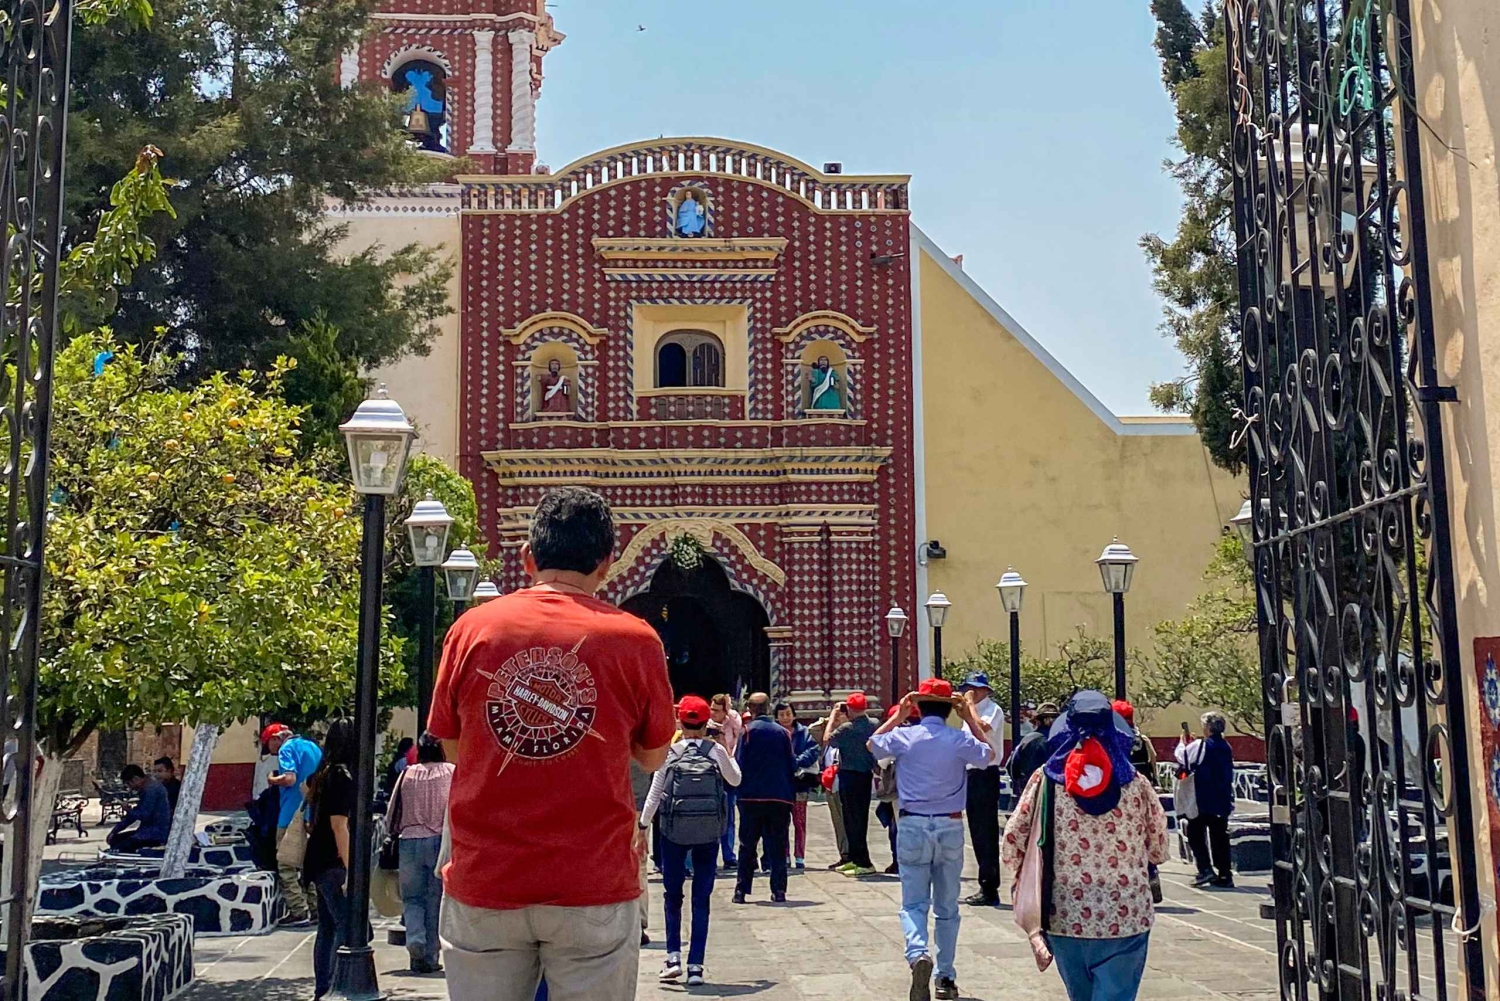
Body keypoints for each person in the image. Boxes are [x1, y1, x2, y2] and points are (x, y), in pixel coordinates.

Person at [429, 486, 675, 1001]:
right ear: (607, 562)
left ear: (527, 557)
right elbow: (654, 756)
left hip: (487, 879)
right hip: (593, 882)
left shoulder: (471, 629)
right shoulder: (636, 640)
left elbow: (452, 746)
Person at [1003, 691, 1170, 1001]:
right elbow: (1159, 848)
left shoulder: (1045, 781)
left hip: (1067, 914)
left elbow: (1012, 842)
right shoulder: (1136, 783)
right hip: (1127, 915)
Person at [869, 678, 995, 1001]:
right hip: (949, 824)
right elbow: (988, 755)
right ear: (949, 710)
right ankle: (945, 977)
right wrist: (969, 719)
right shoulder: (958, 739)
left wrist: (899, 716)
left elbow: (873, 745)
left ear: (919, 708)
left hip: (912, 824)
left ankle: (917, 953)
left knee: (913, 903)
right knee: (947, 908)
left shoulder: (905, 737)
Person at [639, 696, 742, 986]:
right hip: (708, 833)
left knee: (672, 895)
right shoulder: (715, 751)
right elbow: (735, 780)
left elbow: (655, 793)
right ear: (707, 722)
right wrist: (724, 747)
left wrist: (643, 826)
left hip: (673, 834)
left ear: (680, 723)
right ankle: (696, 964)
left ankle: (673, 957)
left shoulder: (670, 752)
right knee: (701, 898)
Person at [390, 732, 455, 974]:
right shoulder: (451, 772)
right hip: (439, 840)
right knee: (435, 899)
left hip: (409, 840)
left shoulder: (408, 773)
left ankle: (415, 940)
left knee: (412, 898)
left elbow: (393, 809)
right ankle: (430, 954)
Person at [302, 720, 357, 1001]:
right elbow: (339, 825)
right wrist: (350, 868)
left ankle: (323, 988)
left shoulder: (323, 773)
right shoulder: (342, 776)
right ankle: (336, 986)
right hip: (333, 861)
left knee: (327, 927)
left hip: (318, 858)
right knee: (347, 927)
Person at [733, 692, 794, 904]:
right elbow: (791, 763)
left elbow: (739, 762)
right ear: (768, 708)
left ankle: (741, 891)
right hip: (778, 797)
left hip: (751, 797)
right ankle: (779, 890)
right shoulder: (783, 733)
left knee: (747, 845)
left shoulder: (747, 732)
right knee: (778, 845)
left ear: (750, 708)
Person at [263, 722, 322, 927]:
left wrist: (272, 779)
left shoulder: (286, 749)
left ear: (275, 739)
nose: (271, 751)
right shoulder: (312, 747)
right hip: (312, 812)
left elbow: (289, 779)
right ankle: (315, 908)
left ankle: (298, 910)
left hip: (290, 814)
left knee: (286, 863)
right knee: (309, 864)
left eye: (268, 745)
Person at [955, 672, 1005, 907]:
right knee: (976, 830)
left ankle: (989, 885)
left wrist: (970, 709)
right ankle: (985, 882)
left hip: (986, 773)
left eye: (975, 688)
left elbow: (983, 727)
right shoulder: (970, 714)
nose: (971, 692)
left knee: (986, 830)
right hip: (972, 773)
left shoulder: (992, 709)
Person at [1176, 711, 1236, 888]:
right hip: (1221, 796)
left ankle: (1205, 869)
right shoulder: (1225, 746)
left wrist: (1182, 743)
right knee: (1220, 836)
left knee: (1195, 833)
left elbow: (1183, 758)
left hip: (1202, 796)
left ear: (1208, 728)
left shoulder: (1201, 745)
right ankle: (1224, 874)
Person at [824, 691, 878, 876]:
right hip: (866, 775)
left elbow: (827, 739)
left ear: (849, 709)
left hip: (849, 775)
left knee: (852, 819)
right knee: (858, 818)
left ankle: (863, 861)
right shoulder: (874, 724)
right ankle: (855, 858)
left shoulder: (847, 728)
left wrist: (833, 717)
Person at [1114, 699, 1162, 903]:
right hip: (1143, 793)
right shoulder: (1142, 739)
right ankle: (1152, 873)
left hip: (1123, 795)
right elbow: (1154, 759)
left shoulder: (1115, 739)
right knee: (1144, 836)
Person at [774, 701, 820, 869]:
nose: (785, 718)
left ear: (794, 715)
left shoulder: (804, 732)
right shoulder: (774, 733)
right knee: (781, 822)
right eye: (781, 715)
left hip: (800, 783)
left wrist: (796, 762)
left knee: (800, 821)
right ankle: (784, 855)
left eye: (788, 714)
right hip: (781, 783)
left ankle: (800, 856)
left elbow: (813, 750)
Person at [709, 694, 743, 870]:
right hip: (711, 775)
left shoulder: (733, 725)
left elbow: (735, 750)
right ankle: (711, 855)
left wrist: (723, 742)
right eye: (711, 709)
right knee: (711, 818)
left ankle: (729, 855)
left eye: (717, 710)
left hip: (728, 774)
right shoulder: (706, 725)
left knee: (729, 817)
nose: (713, 713)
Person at [107, 764, 172, 853]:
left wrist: (128, 810)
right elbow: (135, 815)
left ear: (136, 779)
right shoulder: (147, 788)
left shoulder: (151, 790)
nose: (130, 787)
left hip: (155, 833)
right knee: (116, 839)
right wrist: (115, 831)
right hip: (146, 831)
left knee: (122, 846)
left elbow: (143, 815)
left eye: (129, 783)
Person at [1007, 702, 1058, 794]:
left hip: (1028, 789)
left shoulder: (1027, 739)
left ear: (1037, 721)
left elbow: (1011, 765)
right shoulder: (1063, 741)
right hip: (1053, 790)